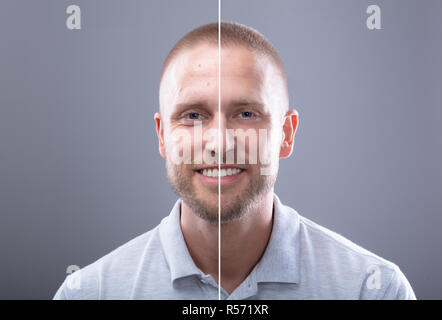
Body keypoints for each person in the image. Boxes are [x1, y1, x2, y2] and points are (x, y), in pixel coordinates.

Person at [54, 22, 416, 300]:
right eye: (193, 116)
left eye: (246, 113)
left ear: (286, 135)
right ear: (162, 136)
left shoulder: (374, 290)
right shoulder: (89, 293)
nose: (220, 143)